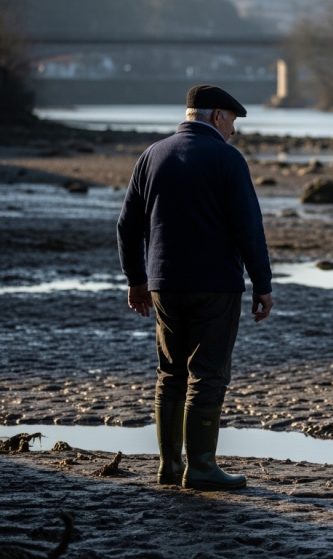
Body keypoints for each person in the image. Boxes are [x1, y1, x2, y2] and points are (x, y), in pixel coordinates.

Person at [117, 84, 273, 491]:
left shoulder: (152, 155)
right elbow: (248, 228)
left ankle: (170, 466)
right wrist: (262, 283)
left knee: (169, 372)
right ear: (217, 117)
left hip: (163, 284)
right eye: (233, 122)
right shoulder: (227, 158)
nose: (234, 131)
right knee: (207, 373)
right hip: (216, 285)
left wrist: (136, 279)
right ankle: (201, 466)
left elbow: (127, 226)